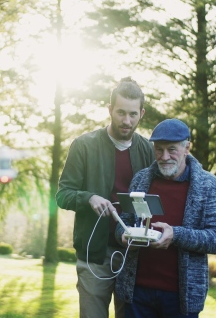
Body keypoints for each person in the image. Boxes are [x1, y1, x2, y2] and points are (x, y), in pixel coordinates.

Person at [56, 77, 155, 318]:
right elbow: (62, 196)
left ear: (141, 113)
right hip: (94, 255)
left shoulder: (149, 151)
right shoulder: (83, 146)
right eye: (121, 113)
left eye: (133, 114)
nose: (126, 121)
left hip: (133, 257)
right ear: (110, 109)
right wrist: (88, 198)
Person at [114, 118, 216, 318]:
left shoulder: (208, 185)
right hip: (137, 292)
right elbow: (124, 224)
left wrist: (176, 235)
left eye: (171, 149)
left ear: (187, 148)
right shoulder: (141, 179)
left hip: (180, 297)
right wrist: (124, 235)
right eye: (159, 149)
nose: (164, 156)